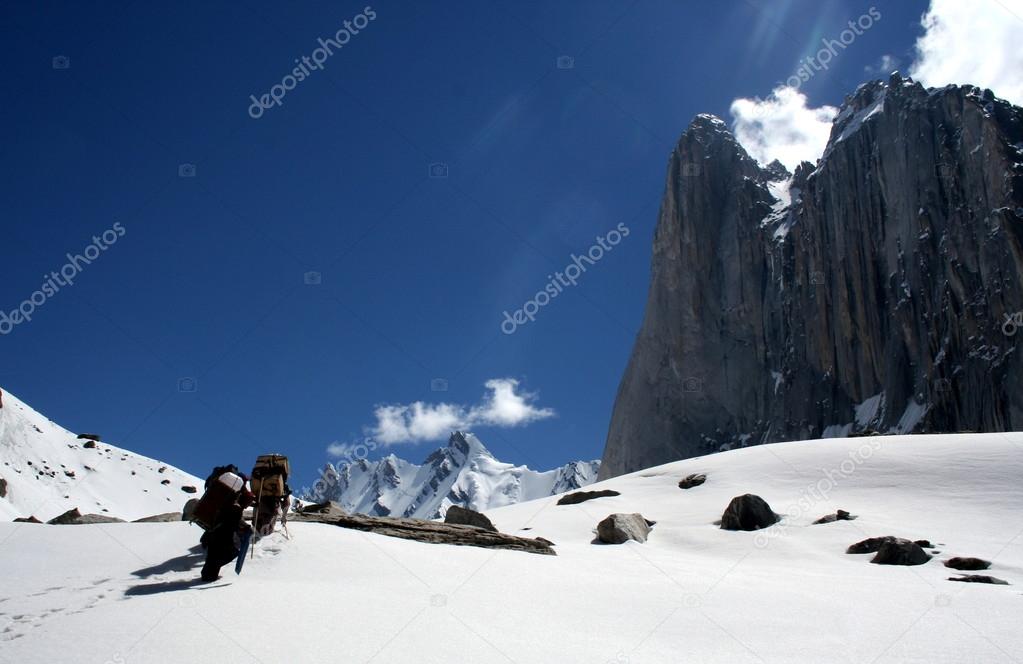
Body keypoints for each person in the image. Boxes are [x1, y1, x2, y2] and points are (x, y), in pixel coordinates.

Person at [199, 465, 254, 582]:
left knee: (216, 545)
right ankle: (210, 575)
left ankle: (208, 574)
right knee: (223, 545)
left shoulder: (219, 480)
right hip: (229, 517)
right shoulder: (238, 483)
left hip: (216, 516)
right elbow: (248, 497)